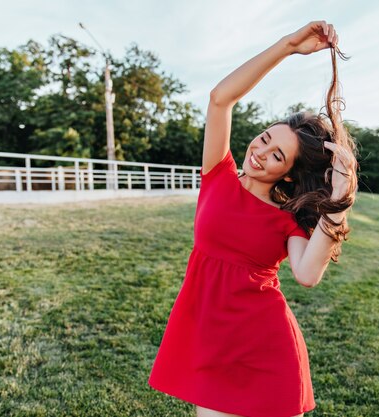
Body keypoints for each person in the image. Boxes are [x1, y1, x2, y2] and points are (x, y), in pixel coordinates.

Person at [148, 21, 358, 417]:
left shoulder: (287, 220)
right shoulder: (218, 175)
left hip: (266, 349)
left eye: (277, 155)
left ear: (290, 174)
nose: (260, 152)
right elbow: (220, 99)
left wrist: (340, 201)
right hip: (209, 341)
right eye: (264, 138)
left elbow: (308, 274)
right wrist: (287, 46)